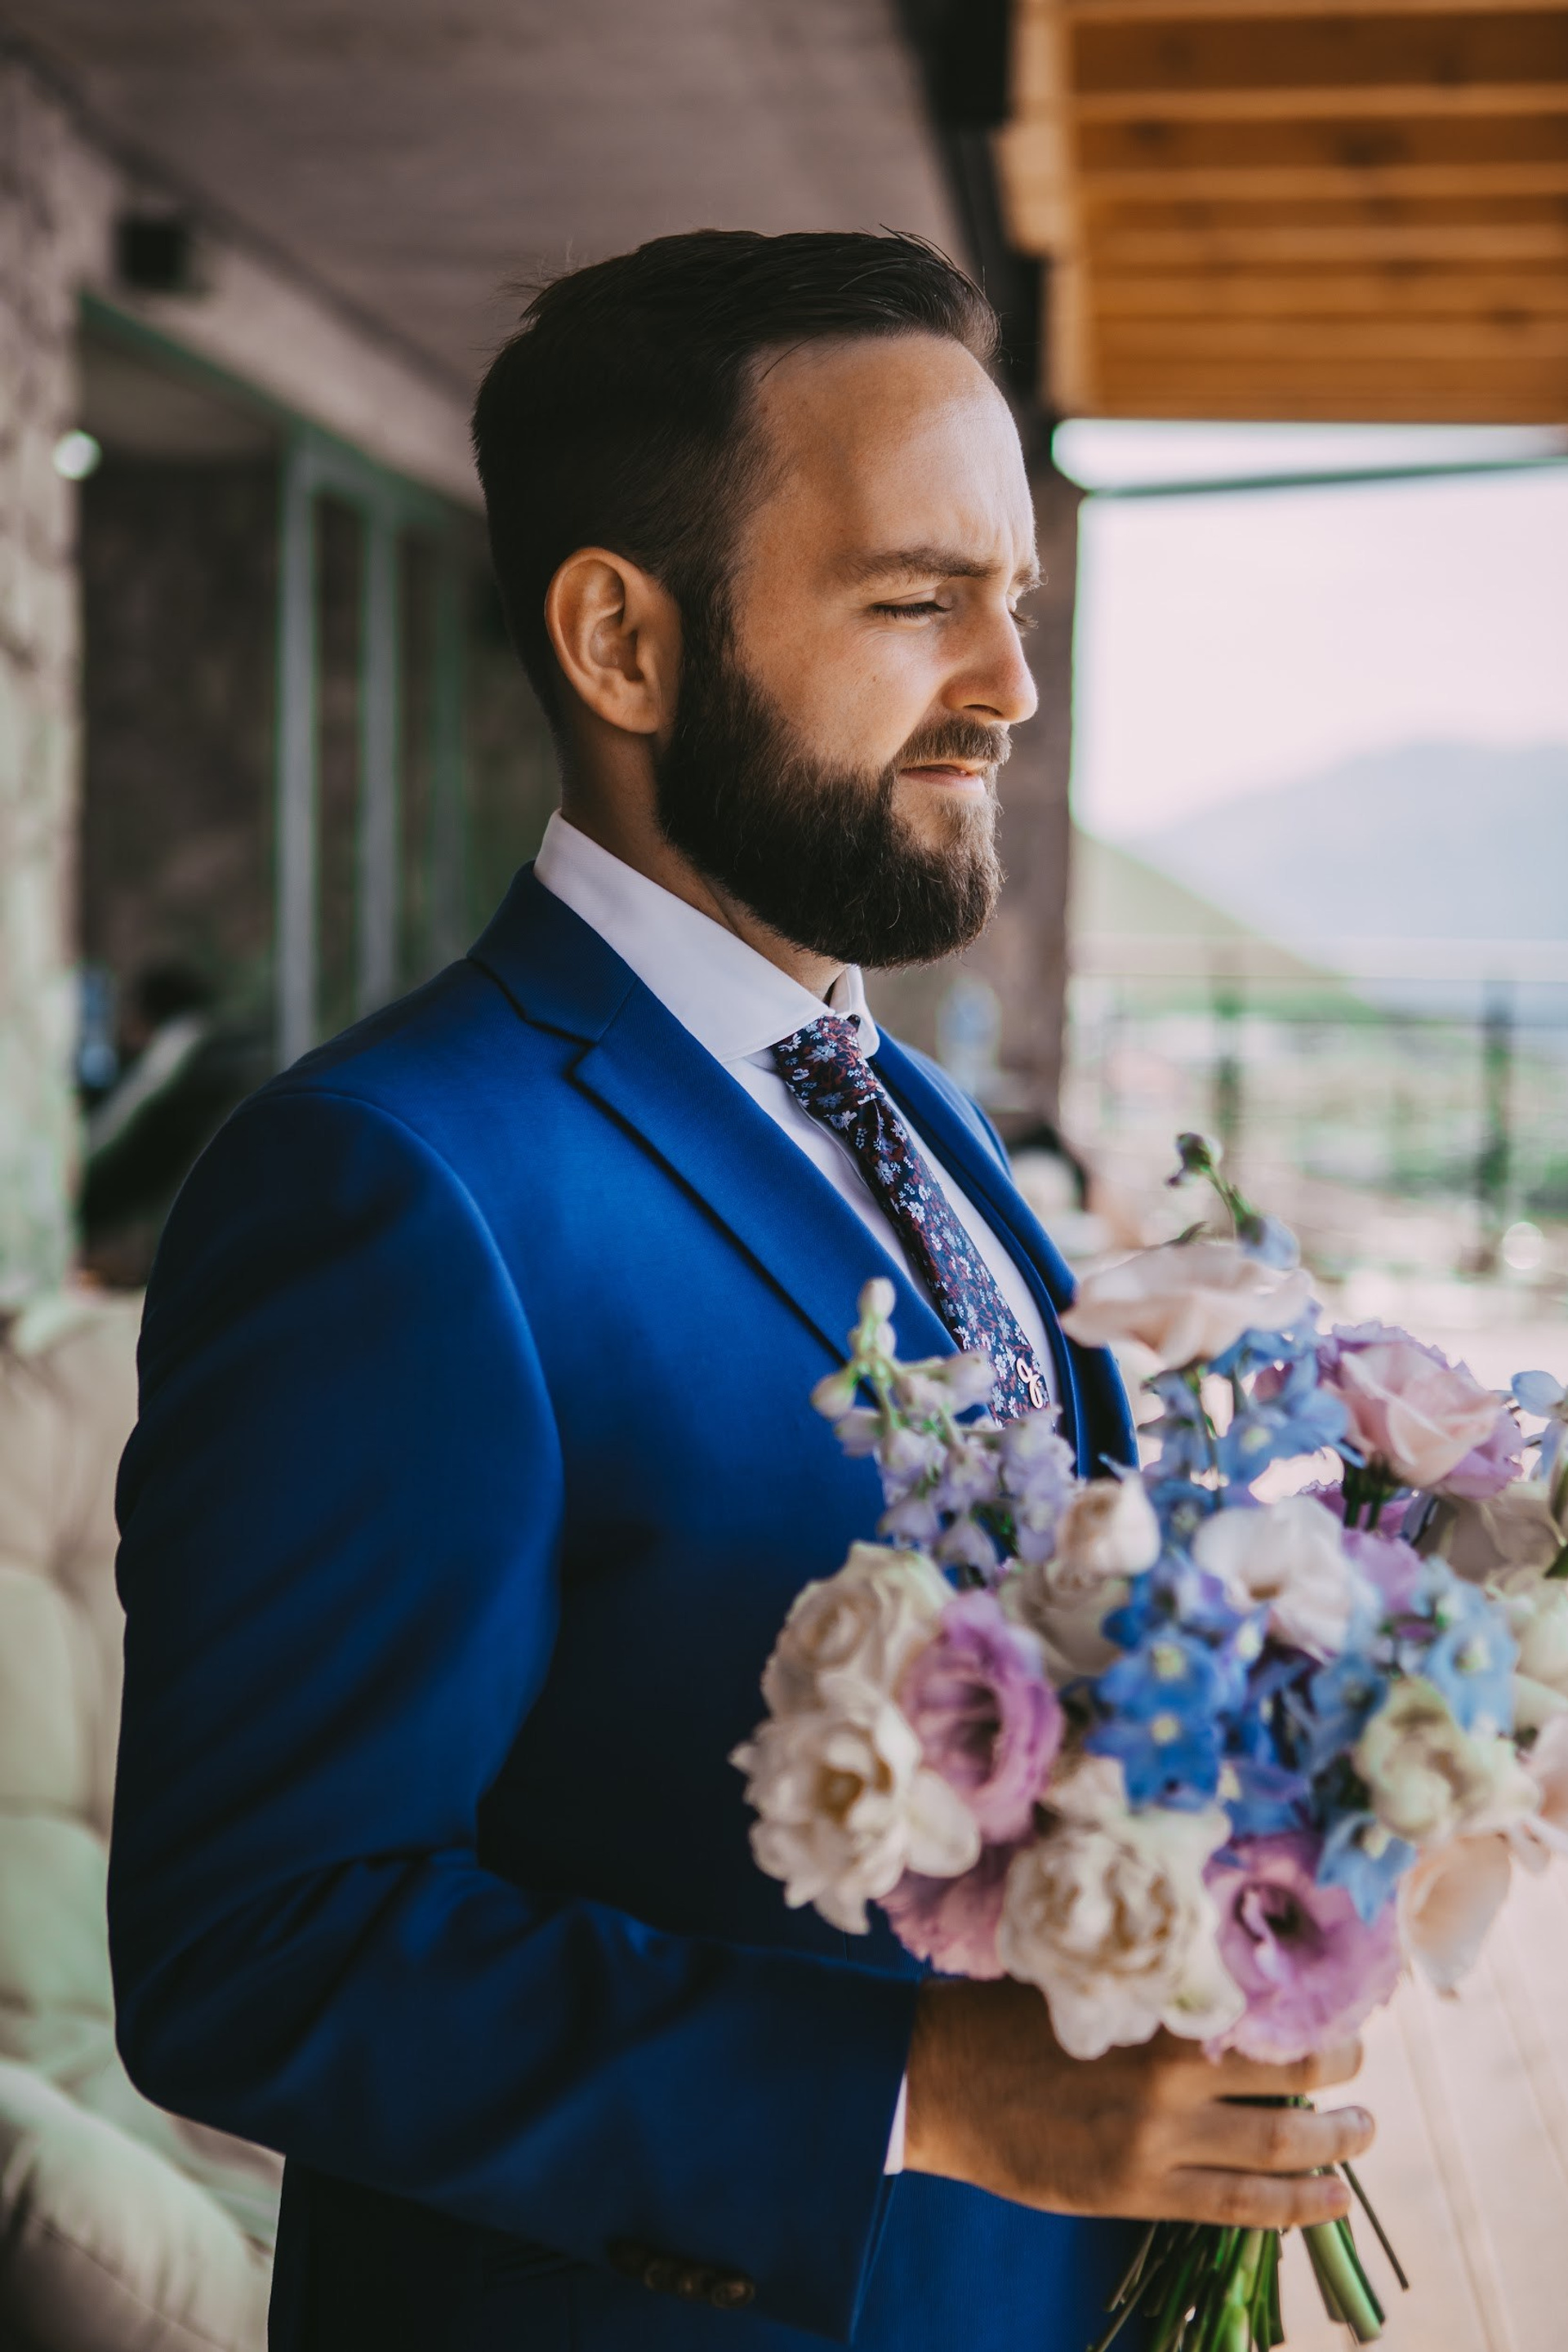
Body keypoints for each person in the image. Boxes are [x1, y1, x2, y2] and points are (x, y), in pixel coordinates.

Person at [109, 232, 1370, 2352]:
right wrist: (916, 2093)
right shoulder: (392, 1187)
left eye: (1019, 601)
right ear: (620, 639)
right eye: (916, 600)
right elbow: (262, 1945)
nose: (1010, 684)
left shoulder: (916, 1115)